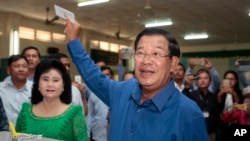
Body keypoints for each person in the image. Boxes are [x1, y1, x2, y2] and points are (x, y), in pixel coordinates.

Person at [64, 19, 208, 141]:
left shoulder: (188, 112)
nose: (146, 60)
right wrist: (74, 41)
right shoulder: (122, 91)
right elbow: (94, 76)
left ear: (173, 63)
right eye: (140, 53)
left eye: (156, 53)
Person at [16, 59, 88, 141]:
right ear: (38, 83)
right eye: (45, 79)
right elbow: (17, 138)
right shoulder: (26, 111)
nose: (50, 84)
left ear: (63, 84)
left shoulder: (75, 113)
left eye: (55, 80)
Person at [183, 68, 219, 141]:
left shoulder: (213, 96)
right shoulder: (191, 95)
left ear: (210, 81)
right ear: (196, 82)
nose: (202, 80)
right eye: (200, 78)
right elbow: (182, 100)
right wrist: (187, 87)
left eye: (205, 78)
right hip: (194, 132)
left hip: (210, 132)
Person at [0, 55, 32, 125]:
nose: (21, 69)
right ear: (9, 70)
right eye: (17, 66)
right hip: (3, 133)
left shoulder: (35, 89)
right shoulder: (1, 89)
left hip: (27, 134)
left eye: (24, 66)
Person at [87, 66, 112, 141]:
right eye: (103, 75)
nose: (105, 77)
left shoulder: (119, 94)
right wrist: (88, 134)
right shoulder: (94, 94)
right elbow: (90, 115)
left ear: (111, 76)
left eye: (107, 74)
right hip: (97, 135)